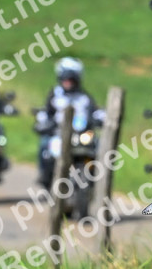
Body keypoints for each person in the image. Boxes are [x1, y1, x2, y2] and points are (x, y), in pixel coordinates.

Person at [36, 57, 104, 185]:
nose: (68, 82)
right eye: (66, 79)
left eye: (71, 79)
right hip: (58, 135)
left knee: (97, 146)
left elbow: (95, 112)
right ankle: (45, 176)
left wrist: (102, 118)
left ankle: (94, 181)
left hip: (80, 136)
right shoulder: (55, 95)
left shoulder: (84, 97)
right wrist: (44, 123)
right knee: (44, 146)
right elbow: (45, 113)